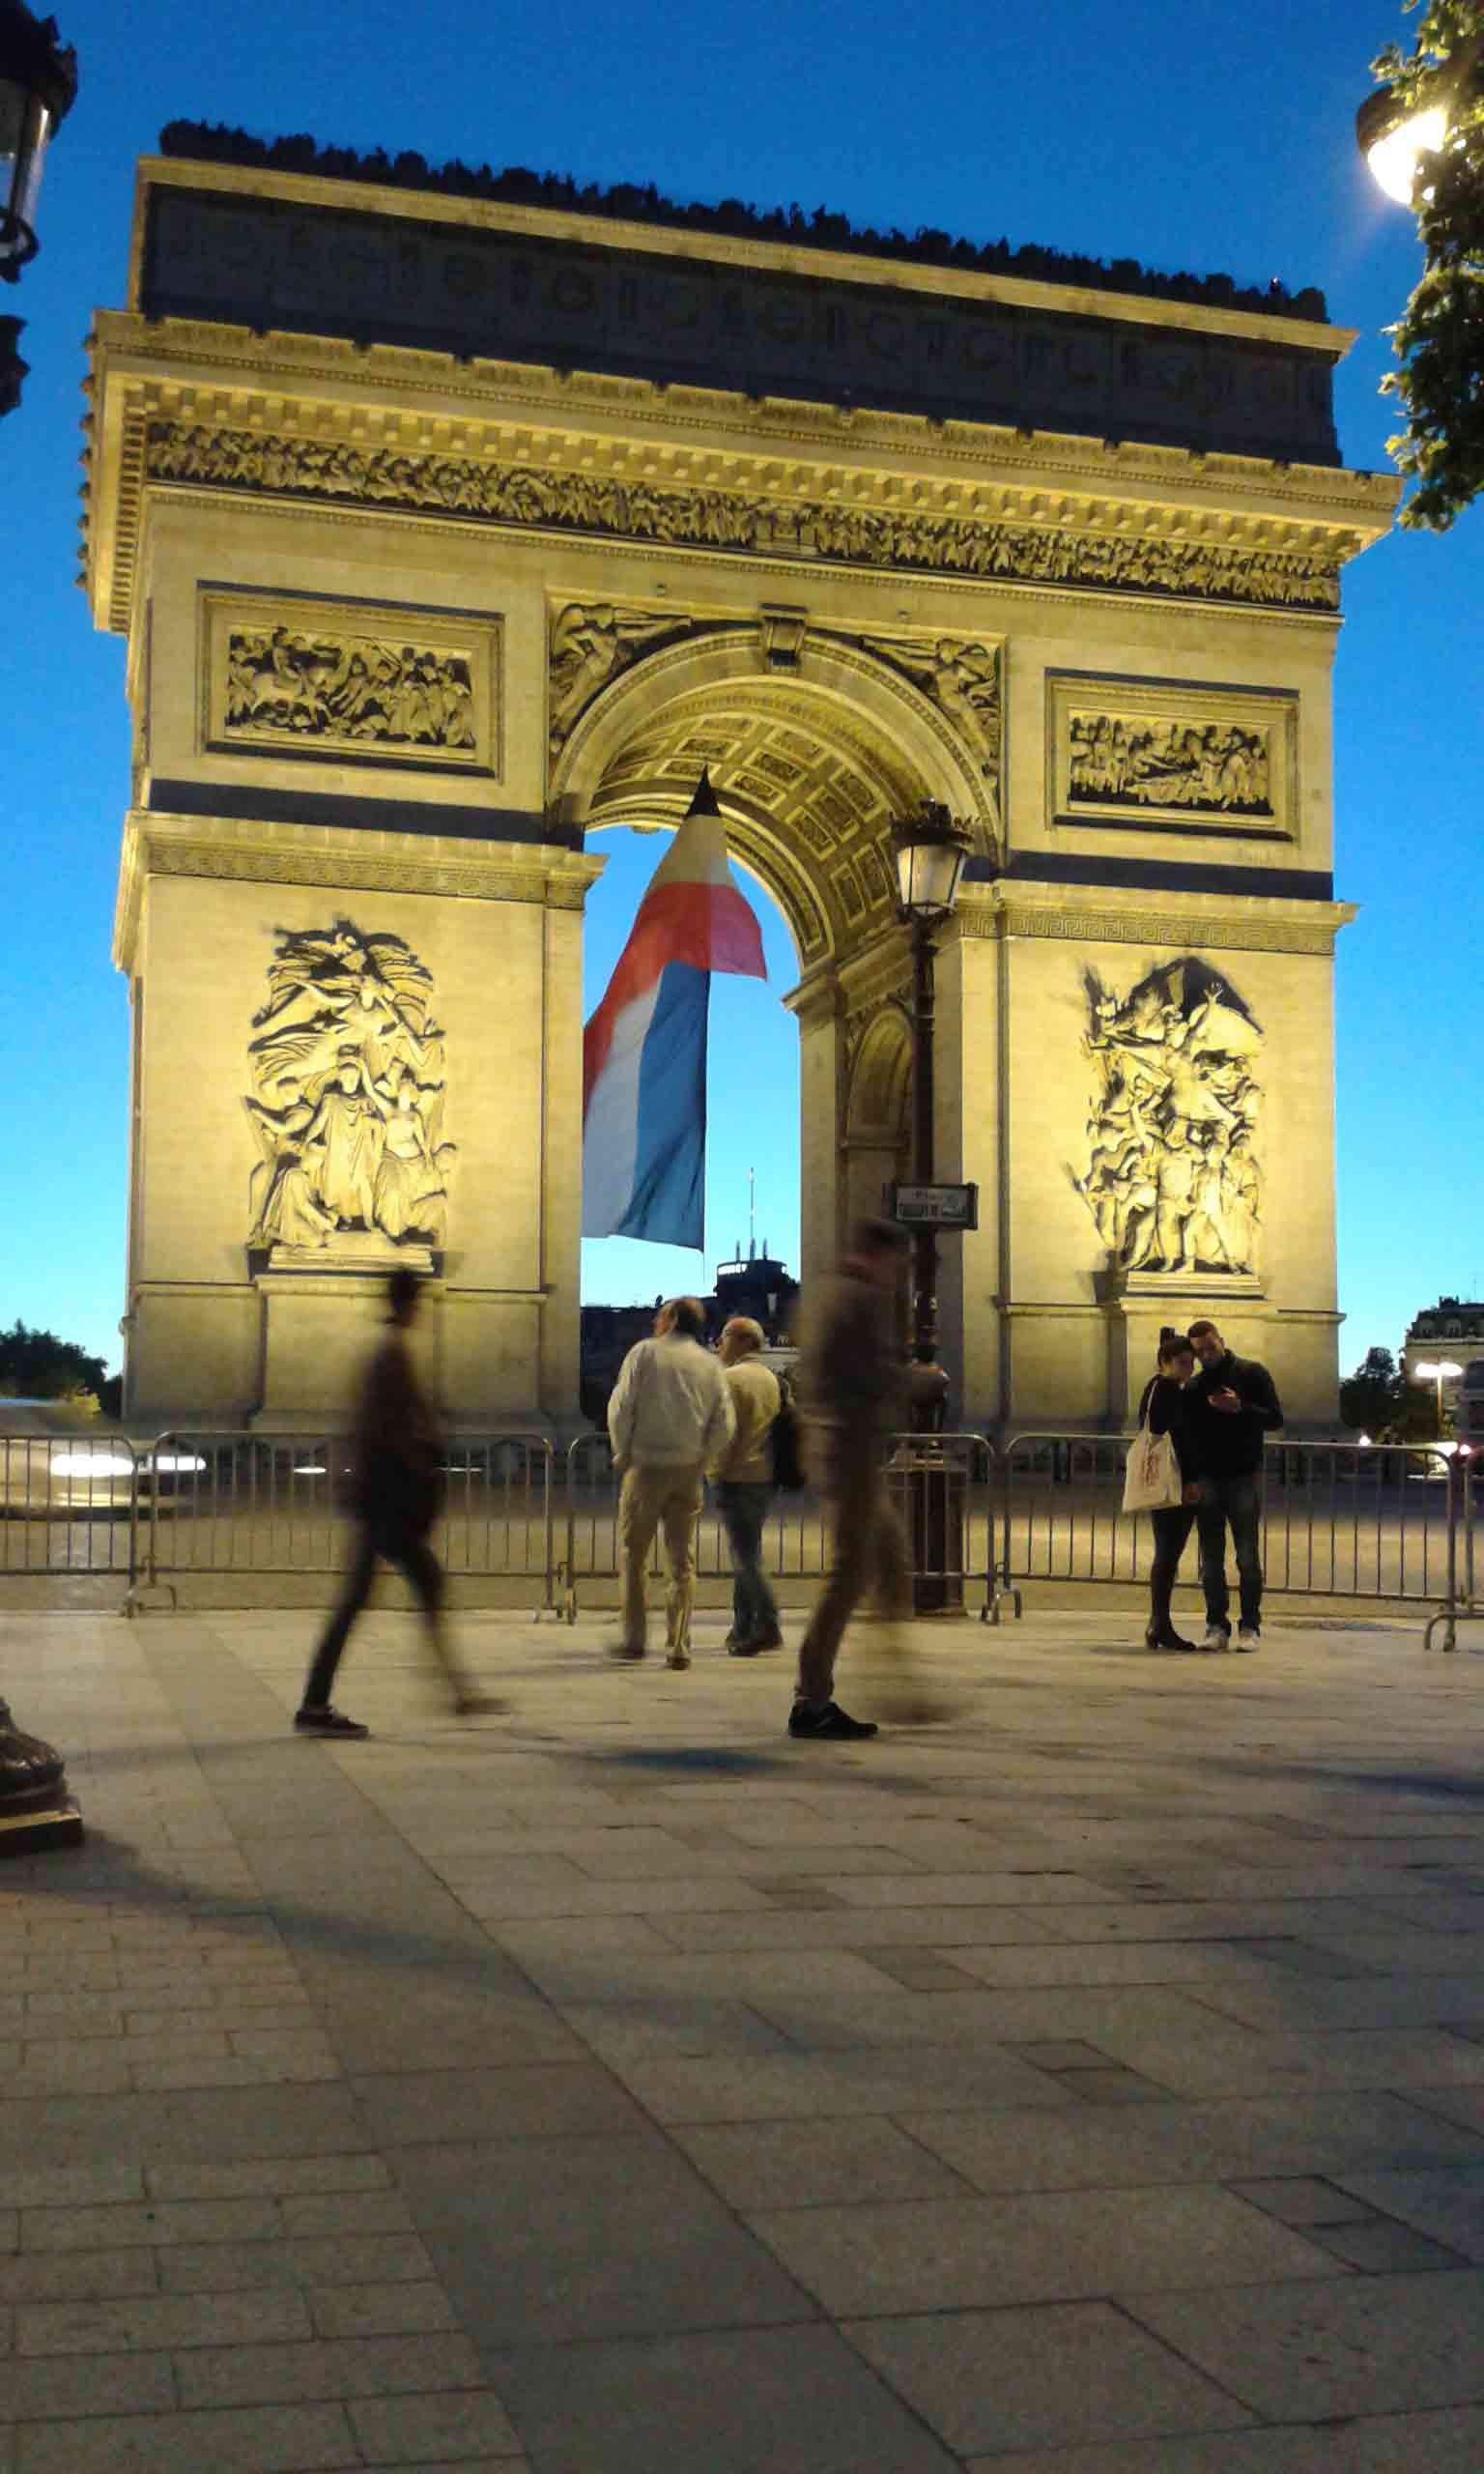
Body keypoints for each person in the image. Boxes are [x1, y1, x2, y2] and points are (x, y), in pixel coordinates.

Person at [296, 1268, 499, 1740]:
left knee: (375, 1596)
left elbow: (368, 1424)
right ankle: (452, 1693)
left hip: (377, 1495)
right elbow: (388, 1426)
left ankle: (454, 1692)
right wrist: (422, 1459)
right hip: (386, 1498)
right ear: (410, 1302)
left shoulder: (386, 1350)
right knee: (407, 1590)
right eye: (420, 1301)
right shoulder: (392, 1353)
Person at [790, 1220, 911, 1741]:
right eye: (899, 1264)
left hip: (836, 1443)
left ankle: (895, 1667)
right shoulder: (860, 1299)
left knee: (889, 1557)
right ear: (880, 1254)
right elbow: (866, 1373)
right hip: (849, 1448)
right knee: (850, 1573)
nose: (901, 1276)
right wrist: (919, 1380)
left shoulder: (823, 1292)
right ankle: (812, 1699)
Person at [608, 1297, 734, 1668]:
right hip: (688, 1469)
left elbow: (622, 1406)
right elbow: (724, 1423)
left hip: (646, 1466)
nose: (654, 1322)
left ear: (672, 1319)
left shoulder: (644, 1354)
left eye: (660, 1316)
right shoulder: (711, 1364)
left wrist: (622, 1451)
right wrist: (703, 1457)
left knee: (635, 1554)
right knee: (682, 1559)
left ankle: (634, 1638)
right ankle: (679, 1643)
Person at [1186, 1317, 1284, 1651]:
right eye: (1199, 1351)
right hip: (1208, 1479)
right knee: (1211, 1560)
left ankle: (1250, 1627)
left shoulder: (1252, 1373)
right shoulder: (1196, 1385)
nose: (1206, 1354)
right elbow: (1190, 1436)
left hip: (1243, 1475)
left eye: (1210, 1347)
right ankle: (1216, 1626)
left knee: (1247, 1557)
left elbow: (1276, 1418)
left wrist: (1240, 1408)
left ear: (1221, 1340)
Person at [710, 1316, 784, 1656]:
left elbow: (727, 1435)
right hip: (765, 1476)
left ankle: (767, 1624)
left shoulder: (731, 1379)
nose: (718, 1345)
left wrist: (716, 1472)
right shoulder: (770, 1378)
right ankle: (742, 1626)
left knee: (745, 1558)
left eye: (723, 1337)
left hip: (738, 1476)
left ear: (740, 1340)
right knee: (747, 1552)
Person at [1137, 1328, 1203, 1652]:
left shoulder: (1153, 1389)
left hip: (1162, 1479)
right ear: (1164, 1361)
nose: (1188, 1369)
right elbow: (1182, 1439)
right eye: (1182, 1362)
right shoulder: (1170, 1390)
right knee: (1168, 1555)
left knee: (1166, 1554)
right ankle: (1160, 1624)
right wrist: (1191, 1480)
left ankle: (1158, 1623)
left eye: (1191, 1363)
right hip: (1175, 1482)